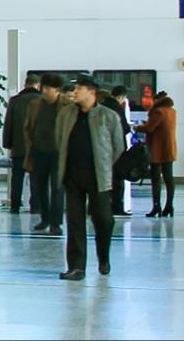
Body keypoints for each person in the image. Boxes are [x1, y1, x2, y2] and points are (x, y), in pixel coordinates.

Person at [56, 75, 124, 281]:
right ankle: (76, 267)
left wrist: (105, 165)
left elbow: (118, 146)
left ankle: (103, 257)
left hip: (98, 176)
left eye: (80, 88)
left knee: (103, 219)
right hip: (72, 175)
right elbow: (59, 140)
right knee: (74, 221)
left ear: (92, 92)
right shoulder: (66, 114)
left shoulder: (108, 116)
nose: (75, 92)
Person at [23, 73, 68, 235]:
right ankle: (45, 218)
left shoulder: (67, 106)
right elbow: (28, 126)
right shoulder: (35, 105)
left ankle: (56, 222)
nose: (44, 91)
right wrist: (31, 144)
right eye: (43, 87)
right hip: (39, 151)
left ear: (57, 90)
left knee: (57, 187)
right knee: (40, 187)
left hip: (58, 153)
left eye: (48, 88)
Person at [134, 90, 178, 218]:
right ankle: (169, 206)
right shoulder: (172, 111)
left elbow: (149, 128)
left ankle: (156, 206)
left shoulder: (158, 111)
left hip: (157, 149)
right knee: (169, 178)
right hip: (169, 148)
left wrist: (137, 127)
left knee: (156, 179)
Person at [2, 73, 41, 214]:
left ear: (25, 84)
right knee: (36, 179)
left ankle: (15, 205)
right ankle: (35, 206)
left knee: (17, 178)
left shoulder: (15, 100)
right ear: (38, 85)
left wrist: (7, 143)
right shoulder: (41, 100)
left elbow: (8, 124)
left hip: (18, 147)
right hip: (36, 148)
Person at [100, 86, 132, 216]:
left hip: (103, 147)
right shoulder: (117, 108)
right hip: (116, 148)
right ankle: (117, 206)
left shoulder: (101, 106)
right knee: (118, 178)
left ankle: (101, 206)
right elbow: (125, 128)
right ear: (120, 96)